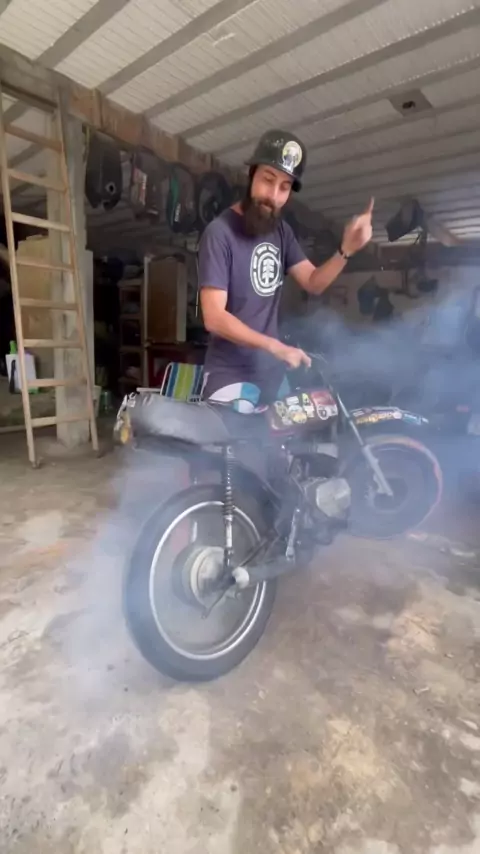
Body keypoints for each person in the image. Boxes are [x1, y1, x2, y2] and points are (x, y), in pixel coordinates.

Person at [198, 129, 373, 412]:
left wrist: (346, 250)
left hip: (271, 375)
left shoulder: (281, 232)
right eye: (268, 180)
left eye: (284, 187)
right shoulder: (219, 233)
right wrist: (275, 346)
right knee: (239, 441)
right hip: (229, 375)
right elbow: (214, 317)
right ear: (252, 174)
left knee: (293, 437)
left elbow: (313, 282)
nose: (273, 196)